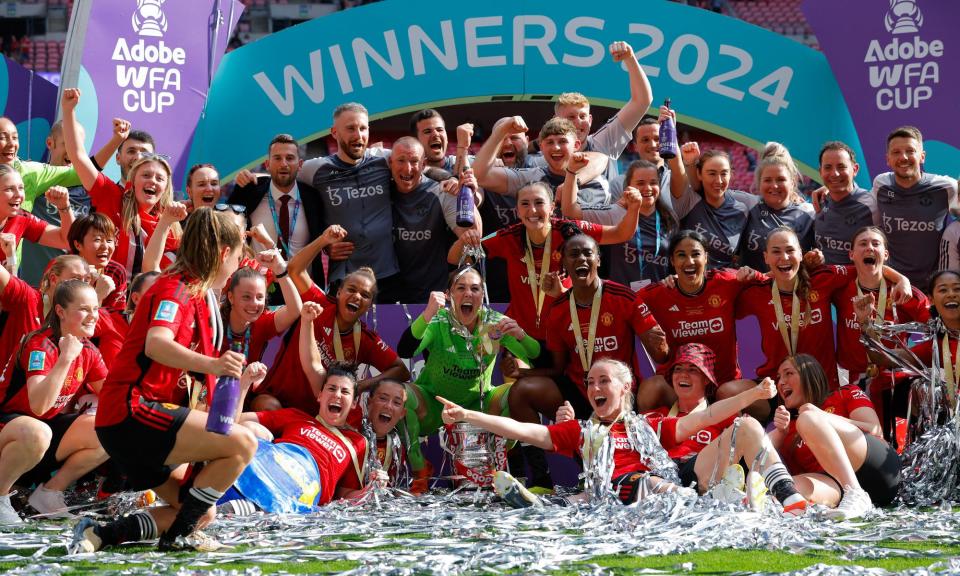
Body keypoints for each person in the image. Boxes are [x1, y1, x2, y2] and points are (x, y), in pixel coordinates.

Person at [71, 208, 259, 553]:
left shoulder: (195, 293)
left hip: (136, 419)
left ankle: (98, 534)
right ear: (222, 254)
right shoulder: (177, 290)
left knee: (201, 510)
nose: (238, 265)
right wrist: (215, 364)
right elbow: (156, 344)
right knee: (244, 443)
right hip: (131, 411)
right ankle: (179, 538)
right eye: (237, 255)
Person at [439, 359, 804, 513]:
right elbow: (527, 431)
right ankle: (729, 500)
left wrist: (752, 396)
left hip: (680, 479)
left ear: (625, 387)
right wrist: (470, 415)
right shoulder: (583, 430)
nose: (595, 387)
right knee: (639, 485)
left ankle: (788, 498)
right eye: (590, 382)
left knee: (747, 426)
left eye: (604, 381)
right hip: (625, 490)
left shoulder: (650, 423)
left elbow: (707, 416)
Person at [506, 234, 667, 488]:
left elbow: (661, 355)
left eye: (588, 253)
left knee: (655, 389)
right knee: (520, 392)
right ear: (564, 265)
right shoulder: (558, 309)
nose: (581, 258)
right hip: (579, 393)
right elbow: (558, 368)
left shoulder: (623, 297)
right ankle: (541, 479)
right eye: (574, 254)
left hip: (619, 398)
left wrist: (659, 343)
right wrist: (522, 374)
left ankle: (627, 471)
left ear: (598, 260)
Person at [449, 181, 641, 348]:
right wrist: (464, 240)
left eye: (539, 203)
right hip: (520, 333)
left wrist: (634, 208)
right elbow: (454, 258)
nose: (532, 210)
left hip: (567, 332)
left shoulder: (570, 231)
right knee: (520, 386)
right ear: (517, 210)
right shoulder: (509, 237)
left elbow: (620, 234)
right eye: (525, 204)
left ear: (552, 208)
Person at [399, 265, 540, 491]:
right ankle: (419, 472)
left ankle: (501, 468)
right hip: (436, 404)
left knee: (521, 392)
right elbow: (405, 350)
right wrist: (427, 314)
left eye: (475, 289)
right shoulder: (438, 320)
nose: (468, 294)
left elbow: (537, 358)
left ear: (482, 295)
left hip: (480, 405)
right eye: (461, 288)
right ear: (449, 295)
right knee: (398, 395)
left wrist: (521, 335)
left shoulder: (494, 322)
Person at [736, 227, 908, 392]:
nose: (784, 257)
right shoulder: (756, 291)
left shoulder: (824, 279)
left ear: (800, 254)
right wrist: (752, 276)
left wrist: (901, 279)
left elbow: (867, 268)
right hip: (777, 384)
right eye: (776, 252)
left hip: (821, 385)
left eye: (790, 250)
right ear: (765, 257)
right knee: (729, 391)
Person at [642, 344, 807, 514]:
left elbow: (756, 444)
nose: (683, 374)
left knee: (746, 425)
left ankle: (788, 496)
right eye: (678, 369)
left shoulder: (726, 416)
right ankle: (736, 495)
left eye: (693, 369)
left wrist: (780, 432)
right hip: (663, 480)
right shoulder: (653, 417)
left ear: (706, 378)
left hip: (702, 472)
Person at [0, 280, 108, 523]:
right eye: (84, 309)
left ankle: (49, 493)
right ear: (60, 311)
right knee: (37, 432)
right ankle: (1, 497)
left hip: (42, 437)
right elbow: (40, 406)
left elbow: (114, 395)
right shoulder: (40, 345)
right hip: (11, 429)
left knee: (110, 427)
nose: (92, 316)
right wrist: (66, 358)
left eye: (95, 308)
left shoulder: (89, 349)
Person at [254, 258, 409, 413]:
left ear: (369, 305)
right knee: (268, 407)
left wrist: (362, 385)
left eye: (365, 295)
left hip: (317, 414)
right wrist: (324, 239)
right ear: (339, 292)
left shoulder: (365, 339)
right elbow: (295, 269)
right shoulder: (319, 303)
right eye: (351, 289)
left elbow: (401, 370)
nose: (357, 296)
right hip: (277, 399)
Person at [634, 230, 761, 410]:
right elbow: (622, 303)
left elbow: (773, 283)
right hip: (679, 388)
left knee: (754, 399)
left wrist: (754, 274)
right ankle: (650, 435)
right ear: (672, 261)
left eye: (696, 254)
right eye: (681, 255)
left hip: (723, 386)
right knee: (651, 389)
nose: (689, 261)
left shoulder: (727, 282)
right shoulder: (659, 293)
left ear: (706, 257)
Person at [61, 88, 180, 280]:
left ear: (166, 186)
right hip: (99, 298)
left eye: (159, 178)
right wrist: (68, 110)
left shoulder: (170, 223)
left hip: (139, 302)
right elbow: (77, 156)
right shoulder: (111, 194)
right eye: (146, 175)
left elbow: (159, 272)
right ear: (133, 180)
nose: (152, 181)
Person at [222, 364, 372, 514]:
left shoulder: (357, 443)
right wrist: (245, 382)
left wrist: (371, 489)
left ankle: (245, 508)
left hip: (303, 490)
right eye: (332, 388)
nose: (337, 395)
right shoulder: (296, 416)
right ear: (320, 395)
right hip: (270, 465)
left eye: (345, 391)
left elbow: (345, 495)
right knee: (249, 428)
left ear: (353, 403)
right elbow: (230, 423)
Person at [770, 354, 900, 520]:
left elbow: (874, 430)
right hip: (835, 487)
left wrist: (821, 416)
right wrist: (780, 433)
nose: (781, 382)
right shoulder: (789, 427)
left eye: (789, 373)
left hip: (876, 468)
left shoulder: (845, 393)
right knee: (781, 493)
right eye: (779, 378)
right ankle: (853, 496)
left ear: (810, 373)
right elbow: (761, 451)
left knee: (808, 418)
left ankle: (856, 493)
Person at [298, 103, 402, 301]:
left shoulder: (385, 160)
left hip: (387, 276)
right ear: (335, 133)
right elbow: (279, 180)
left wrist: (447, 179)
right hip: (344, 278)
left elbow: (421, 167)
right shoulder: (315, 169)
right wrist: (248, 180)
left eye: (363, 128)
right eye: (350, 128)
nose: (358, 134)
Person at [21, 118, 127, 286]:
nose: (72, 151)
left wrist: (116, 140)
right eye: (67, 144)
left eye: (76, 145)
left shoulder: (88, 189)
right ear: (50, 143)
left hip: (74, 290)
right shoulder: (33, 179)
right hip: (35, 285)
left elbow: (91, 166)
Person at [833, 227, 928, 392]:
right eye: (863, 243)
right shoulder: (840, 286)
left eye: (876, 244)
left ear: (885, 254)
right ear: (851, 255)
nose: (869, 247)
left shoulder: (903, 292)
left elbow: (935, 324)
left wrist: (901, 279)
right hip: (851, 377)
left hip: (893, 378)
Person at [545, 41, 653, 186]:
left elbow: (642, 101)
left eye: (582, 116)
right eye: (570, 117)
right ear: (556, 121)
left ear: (590, 120)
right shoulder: (545, 154)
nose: (578, 122)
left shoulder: (602, 142)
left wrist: (630, 58)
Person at [562, 159, 678, 289]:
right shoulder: (614, 214)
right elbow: (570, 210)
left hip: (658, 297)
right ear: (628, 187)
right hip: (621, 299)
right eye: (640, 183)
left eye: (653, 183)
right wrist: (571, 172)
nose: (648, 188)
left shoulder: (669, 220)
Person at [389, 137, 480, 303]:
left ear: (423, 165)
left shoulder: (441, 191)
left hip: (434, 295)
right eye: (401, 160)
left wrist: (469, 196)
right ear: (390, 163)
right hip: (390, 296)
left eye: (414, 161)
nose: (407, 168)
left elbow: (471, 235)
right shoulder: (381, 191)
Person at [229, 134, 326, 286]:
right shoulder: (250, 192)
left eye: (289, 158)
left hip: (303, 288)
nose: (284, 164)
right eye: (277, 158)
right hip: (259, 290)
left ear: (300, 164)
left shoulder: (313, 198)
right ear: (267, 164)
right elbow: (225, 222)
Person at [871, 126, 958, 290]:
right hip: (891, 285)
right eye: (896, 152)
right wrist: (830, 191)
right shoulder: (880, 184)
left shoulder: (946, 188)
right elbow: (861, 202)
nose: (903, 157)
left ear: (922, 157)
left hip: (932, 290)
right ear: (887, 159)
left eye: (910, 151)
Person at [473, 116, 613, 207]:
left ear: (576, 145)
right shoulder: (530, 178)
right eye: (549, 142)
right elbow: (478, 176)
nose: (556, 147)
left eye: (562, 141)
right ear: (541, 146)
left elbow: (602, 158)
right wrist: (499, 132)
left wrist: (570, 183)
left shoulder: (597, 184)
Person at [671, 147, 758, 268]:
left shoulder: (743, 208)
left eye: (724, 173)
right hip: (691, 281)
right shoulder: (689, 201)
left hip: (725, 283)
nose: (719, 180)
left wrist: (793, 197)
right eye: (712, 173)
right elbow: (676, 171)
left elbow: (773, 197)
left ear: (730, 174)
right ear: (699, 174)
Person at [739, 143, 815, 272]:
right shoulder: (746, 204)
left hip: (793, 290)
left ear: (792, 182)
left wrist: (816, 258)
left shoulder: (809, 213)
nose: (774, 186)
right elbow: (705, 193)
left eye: (781, 179)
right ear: (759, 182)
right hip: (752, 289)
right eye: (768, 180)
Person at [220, 253, 302, 364]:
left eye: (259, 297)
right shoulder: (214, 319)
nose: (254, 304)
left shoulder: (262, 322)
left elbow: (295, 310)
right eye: (246, 297)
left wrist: (280, 271)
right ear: (231, 297)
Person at [811, 141, 876, 265]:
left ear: (855, 169)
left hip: (860, 283)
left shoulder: (872, 203)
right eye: (828, 167)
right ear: (820, 172)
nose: (834, 174)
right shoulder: (819, 201)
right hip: (824, 282)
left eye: (841, 167)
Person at [0, 164, 75, 265]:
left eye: (21, 188)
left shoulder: (21, 218)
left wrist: (64, 206)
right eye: (9, 189)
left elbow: (67, 241)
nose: (18, 195)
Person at [66, 212, 128, 313]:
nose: (105, 247)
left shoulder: (116, 272)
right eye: (97, 240)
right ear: (78, 244)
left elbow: (116, 320)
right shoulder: (63, 269)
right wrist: (98, 295)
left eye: (109, 240)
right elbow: (66, 318)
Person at [97, 270, 160, 367]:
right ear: (136, 299)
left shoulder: (169, 336)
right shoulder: (109, 318)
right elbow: (71, 326)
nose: (162, 300)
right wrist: (98, 296)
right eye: (154, 295)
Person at [363, 378, 409, 489]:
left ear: (402, 413)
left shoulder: (397, 448)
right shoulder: (351, 437)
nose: (388, 406)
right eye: (383, 398)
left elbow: (391, 489)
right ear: (369, 403)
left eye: (397, 403)